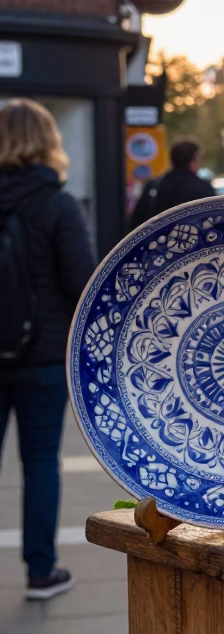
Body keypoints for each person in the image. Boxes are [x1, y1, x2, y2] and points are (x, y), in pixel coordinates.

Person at [0, 99, 97, 600]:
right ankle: (41, 571)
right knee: (39, 463)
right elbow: (84, 284)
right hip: (40, 357)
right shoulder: (58, 204)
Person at [129, 139, 215, 227]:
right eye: (199, 159)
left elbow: (136, 221)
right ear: (192, 162)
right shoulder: (203, 189)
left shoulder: (153, 186)